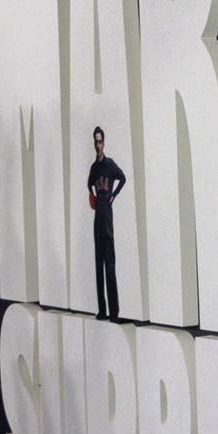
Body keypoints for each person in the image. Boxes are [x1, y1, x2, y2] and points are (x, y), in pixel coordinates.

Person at [87, 127, 125, 322]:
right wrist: (93, 196)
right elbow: (89, 184)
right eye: (96, 142)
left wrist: (113, 196)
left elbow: (123, 178)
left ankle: (114, 312)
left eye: (100, 141)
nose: (98, 145)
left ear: (104, 142)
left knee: (110, 265)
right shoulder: (94, 168)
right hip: (97, 219)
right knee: (98, 264)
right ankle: (102, 310)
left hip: (107, 218)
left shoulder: (109, 164)